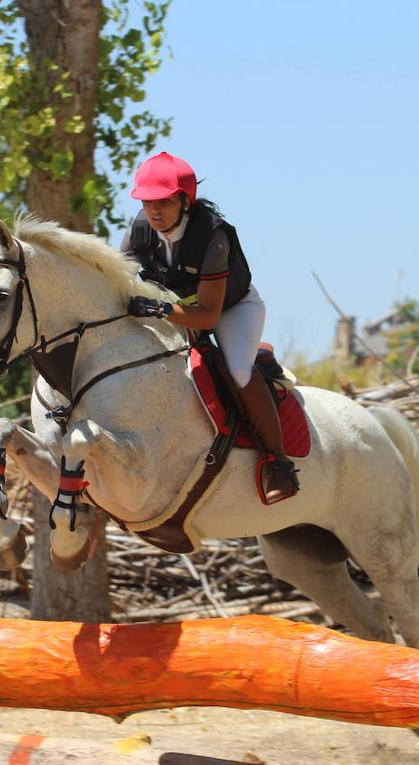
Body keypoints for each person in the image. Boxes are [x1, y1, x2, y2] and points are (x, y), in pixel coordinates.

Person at [121, 151, 299, 504]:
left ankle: (278, 463)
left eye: (165, 202)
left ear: (185, 201)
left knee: (236, 371)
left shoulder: (214, 236)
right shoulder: (140, 233)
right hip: (177, 308)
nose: (155, 211)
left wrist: (158, 308)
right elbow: (117, 281)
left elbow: (207, 317)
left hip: (231, 309)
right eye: (147, 202)